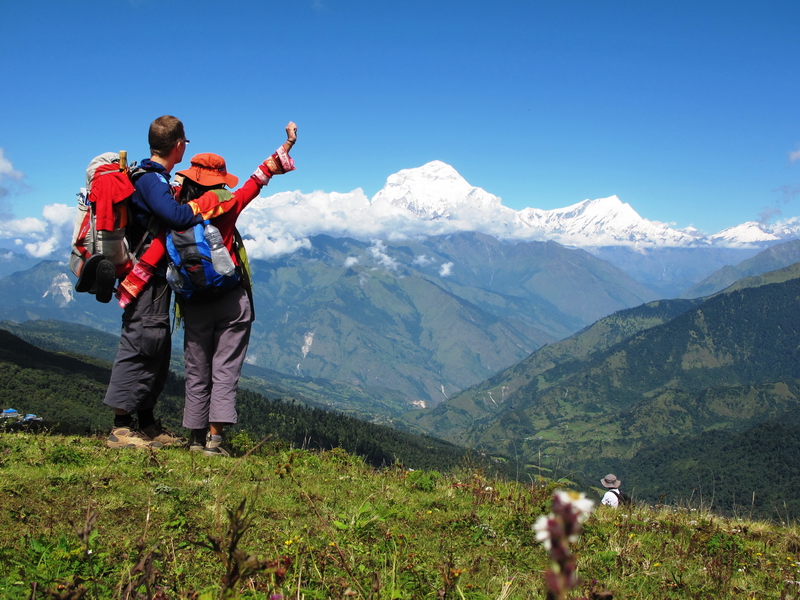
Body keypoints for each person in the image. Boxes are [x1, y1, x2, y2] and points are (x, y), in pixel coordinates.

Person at [118, 122, 297, 456]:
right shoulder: (227, 204)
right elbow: (257, 180)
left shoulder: (175, 207)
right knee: (224, 370)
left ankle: (195, 440)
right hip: (231, 301)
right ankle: (215, 441)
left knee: (197, 371)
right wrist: (286, 147)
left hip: (193, 301)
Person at [105, 116, 234, 449]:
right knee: (139, 343)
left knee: (156, 346)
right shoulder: (151, 180)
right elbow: (176, 217)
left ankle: (145, 423)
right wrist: (208, 203)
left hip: (158, 279)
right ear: (178, 146)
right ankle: (121, 427)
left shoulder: (154, 178)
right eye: (184, 144)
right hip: (145, 277)